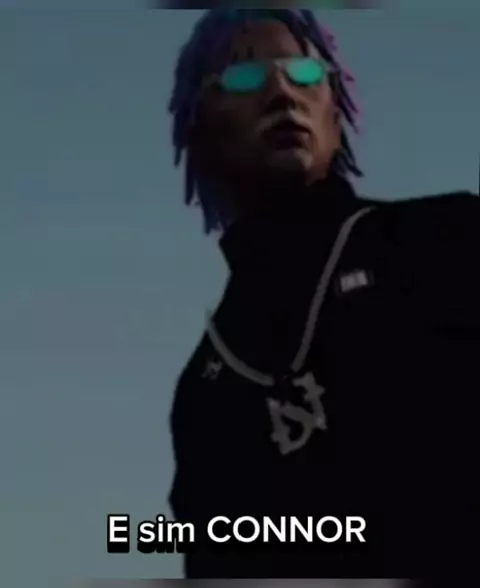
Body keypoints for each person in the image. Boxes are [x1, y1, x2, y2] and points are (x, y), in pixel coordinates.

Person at [167, 8, 478, 583]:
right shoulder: (206, 392)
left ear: (335, 110)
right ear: (200, 129)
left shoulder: (447, 239)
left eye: (305, 73)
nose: (282, 91)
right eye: (243, 75)